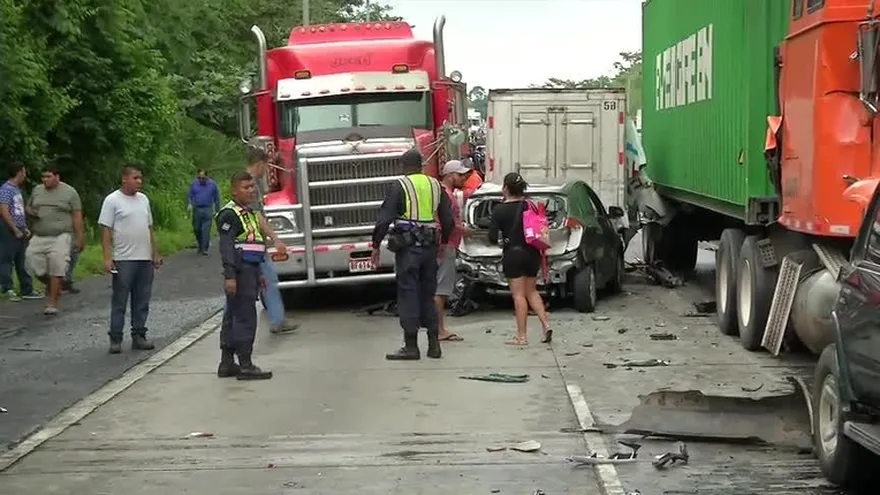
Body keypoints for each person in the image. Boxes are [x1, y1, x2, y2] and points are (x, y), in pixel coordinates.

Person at [371, 148, 454, 360]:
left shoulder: (400, 185)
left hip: (408, 248)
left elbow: (384, 219)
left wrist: (375, 245)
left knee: (408, 293)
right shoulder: (436, 185)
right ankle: (434, 345)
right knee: (428, 293)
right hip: (430, 247)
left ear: (403, 166)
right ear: (421, 165)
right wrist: (444, 242)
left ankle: (411, 347)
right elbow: (448, 219)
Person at [98, 165, 161, 354]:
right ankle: (116, 337)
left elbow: (149, 228)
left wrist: (154, 253)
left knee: (142, 299)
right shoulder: (112, 200)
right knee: (120, 299)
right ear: (124, 179)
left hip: (144, 258)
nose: (139, 181)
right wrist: (108, 257)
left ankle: (139, 334)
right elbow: (105, 230)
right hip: (124, 258)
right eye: (135, 178)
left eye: (140, 178)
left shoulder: (143, 199)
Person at [216, 171, 273, 380]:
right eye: (245, 187)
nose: (251, 191)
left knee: (232, 315)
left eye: (252, 187)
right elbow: (227, 247)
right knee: (245, 317)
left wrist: (259, 273)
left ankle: (227, 363)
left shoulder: (248, 213)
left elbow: (253, 244)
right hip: (240, 271)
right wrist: (230, 275)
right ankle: (246, 364)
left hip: (250, 269)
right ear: (234, 191)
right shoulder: (229, 215)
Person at [488, 172, 552, 346]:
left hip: (513, 254)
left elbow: (492, 237)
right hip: (532, 253)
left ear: (506, 188)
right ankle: (546, 324)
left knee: (518, 295)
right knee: (532, 291)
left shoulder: (499, 210)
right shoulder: (529, 205)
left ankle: (522, 337)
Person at [242, 146, 296, 334]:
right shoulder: (251, 186)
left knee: (253, 283)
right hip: (255, 243)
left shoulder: (242, 183)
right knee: (269, 280)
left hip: (248, 242)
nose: (266, 171)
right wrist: (275, 238)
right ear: (259, 164)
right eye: (265, 166)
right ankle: (277, 321)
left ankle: (274, 320)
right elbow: (257, 216)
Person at [25, 167, 84, 315]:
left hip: (61, 235)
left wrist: (79, 238)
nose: (45, 180)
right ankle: (54, 284)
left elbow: (77, 216)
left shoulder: (69, 192)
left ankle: (52, 303)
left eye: (48, 176)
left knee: (57, 267)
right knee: (31, 263)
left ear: (57, 177)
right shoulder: (37, 190)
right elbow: (28, 206)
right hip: (40, 234)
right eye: (43, 177)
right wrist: (31, 212)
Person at [435, 159, 474, 342]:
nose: (464, 178)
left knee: (438, 288)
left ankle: (437, 328)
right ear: (450, 176)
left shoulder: (442, 193)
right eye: (460, 175)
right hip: (446, 245)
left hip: (443, 244)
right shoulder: (447, 195)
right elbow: (449, 223)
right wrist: (466, 231)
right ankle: (439, 330)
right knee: (441, 289)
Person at [0, 162, 42, 302]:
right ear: (19, 172)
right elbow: (4, 210)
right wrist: (14, 228)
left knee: (23, 259)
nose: (25, 175)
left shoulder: (17, 189)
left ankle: (27, 289)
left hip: (20, 228)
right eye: (24, 172)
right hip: (8, 228)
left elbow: (18, 210)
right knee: (6, 259)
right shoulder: (6, 189)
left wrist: (24, 227)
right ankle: (7, 288)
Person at [188, 169, 221, 255]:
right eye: (199, 178)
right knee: (197, 228)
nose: (201, 180)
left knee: (205, 229)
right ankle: (200, 245)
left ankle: (204, 248)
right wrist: (190, 204)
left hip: (208, 209)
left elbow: (217, 198)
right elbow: (190, 195)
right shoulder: (194, 184)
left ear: (207, 177)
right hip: (197, 209)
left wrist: (217, 211)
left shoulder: (213, 185)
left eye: (203, 178)